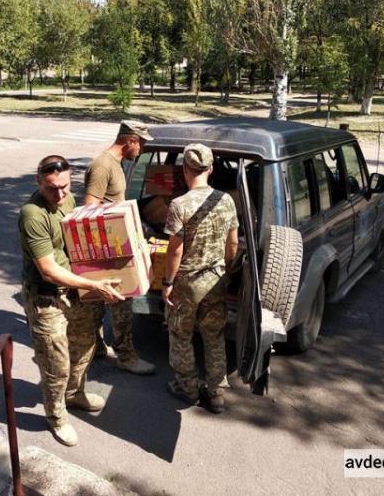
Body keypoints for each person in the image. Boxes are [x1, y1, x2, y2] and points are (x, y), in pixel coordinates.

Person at [19, 155, 125, 446]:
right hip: (45, 298)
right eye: (53, 188)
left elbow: (77, 236)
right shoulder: (32, 214)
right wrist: (93, 284)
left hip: (73, 290)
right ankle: (56, 416)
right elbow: (48, 270)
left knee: (85, 344)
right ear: (38, 181)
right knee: (55, 363)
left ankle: (75, 394)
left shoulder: (67, 199)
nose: (61, 194)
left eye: (65, 186)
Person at [162, 144, 238, 414]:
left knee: (180, 334)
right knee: (214, 334)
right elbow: (233, 244)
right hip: (215, 280)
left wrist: (167, 283)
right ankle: (216, 393)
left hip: (187, 285)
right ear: (211, 169)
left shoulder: (178, 205)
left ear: (184, 170)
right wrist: (225, 270)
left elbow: (175, 250)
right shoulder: (226, 200)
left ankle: (188, 388)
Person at [83, 121, 155, 376]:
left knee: (98, 303)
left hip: (114, 244)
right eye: (142, 143)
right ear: (129, 141)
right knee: (122, 302)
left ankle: (95, 347)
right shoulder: (103, 166)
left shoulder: (116, 164)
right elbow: (89, 210)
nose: (143, 149)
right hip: (108, 249)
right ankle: (126, 356)